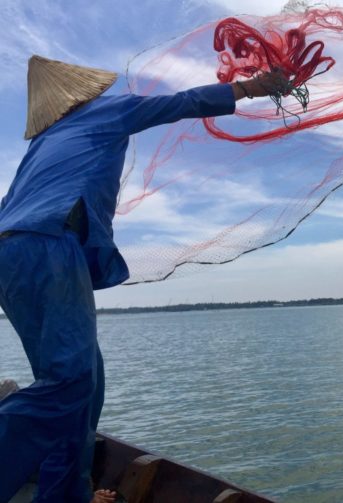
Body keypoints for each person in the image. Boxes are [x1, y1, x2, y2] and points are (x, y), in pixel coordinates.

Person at [0, 55, 288, 503]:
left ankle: (63, 495)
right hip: (47, 246)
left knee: (84, 385)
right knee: (70, 383)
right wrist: (250, 88)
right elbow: (180, 103)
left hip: (12, 255)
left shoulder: (42, 142)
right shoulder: (100, 110)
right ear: (83, 93)